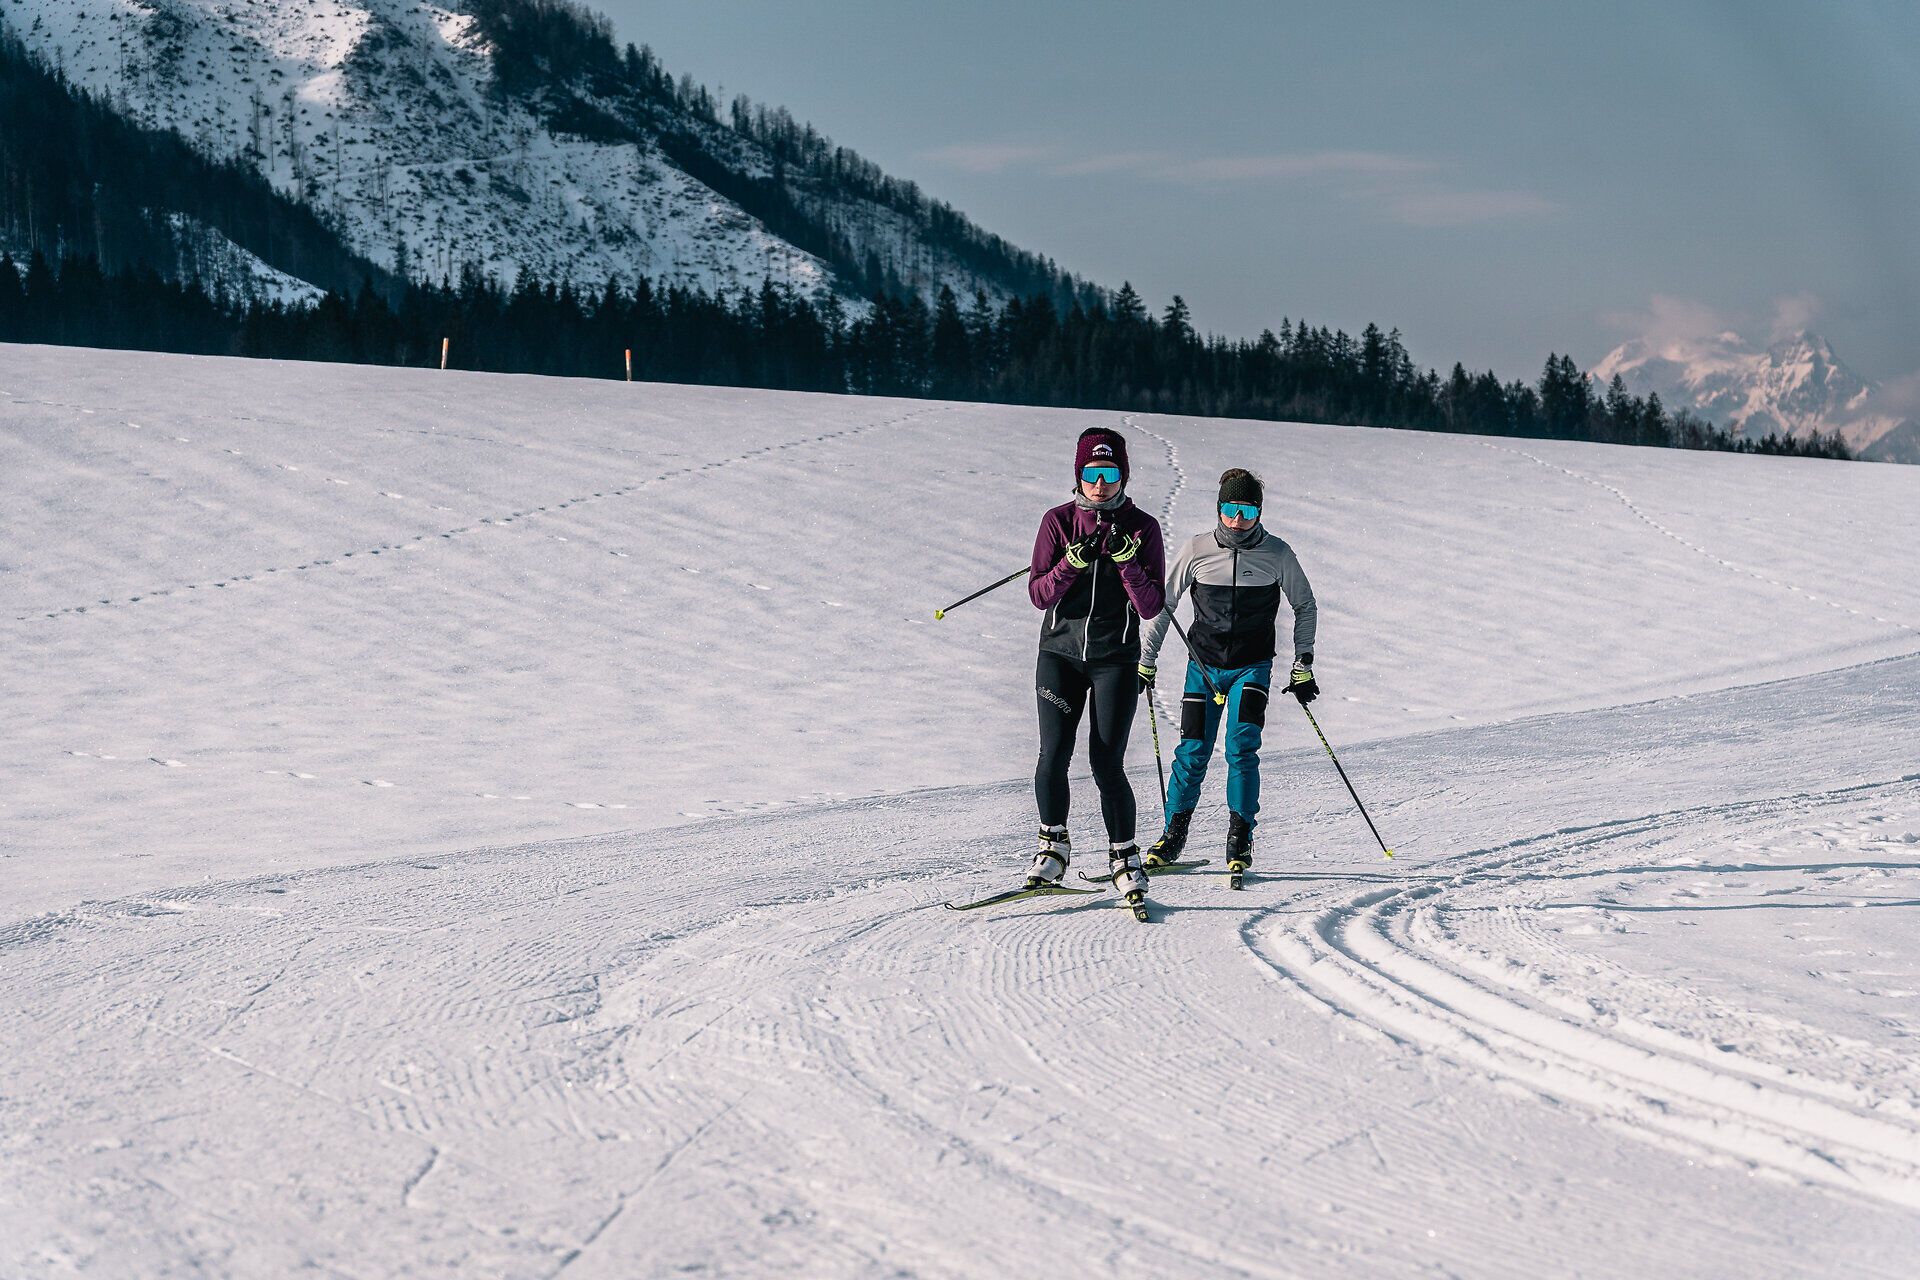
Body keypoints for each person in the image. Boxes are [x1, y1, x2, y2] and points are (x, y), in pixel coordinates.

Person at [1136, 467, 1317, 876]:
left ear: (1259, 512)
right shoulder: (1196, 549)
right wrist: (1146, 660)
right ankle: (1173, 834)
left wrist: (1303, 662)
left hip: (1251, 667)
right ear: (1218, 508)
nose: (1238, 520)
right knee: (1192, 751)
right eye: (1230, 509)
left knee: (1241, 749)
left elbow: (1305, 605)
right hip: (1203, 667)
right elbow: (1164, 605)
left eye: (1247, 511)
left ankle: (1240, 836)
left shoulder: (1277, 554)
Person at [1025, 426, 1167, 909]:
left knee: (1107, 763)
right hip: (1060, 656)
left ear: (1123, 475)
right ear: (1079, 475)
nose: (1100, 484)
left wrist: (1127, 562)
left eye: (1109, 473)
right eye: (1092, 473)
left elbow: (1150, 606)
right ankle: (1053, 845)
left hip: (1115, 661)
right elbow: (1038, 593)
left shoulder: (1143, 527)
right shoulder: (1058, 521)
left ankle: (1124, 857)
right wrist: (1069, 563)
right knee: (1053, 754)